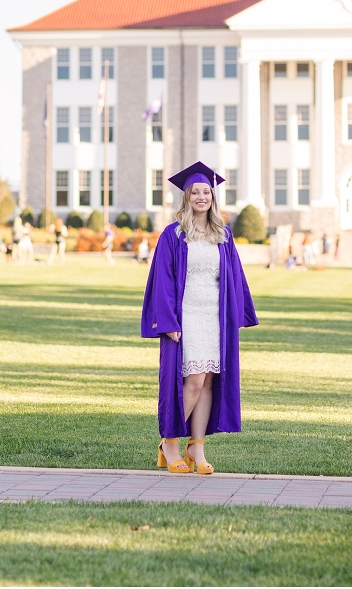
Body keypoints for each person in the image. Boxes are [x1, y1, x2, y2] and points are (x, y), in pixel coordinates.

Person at [141, 161, 258, 476]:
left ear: (213, 197)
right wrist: (168, 321)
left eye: (207, 191)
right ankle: (169, 443)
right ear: (187, 197)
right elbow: (162, 280)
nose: (202, 197)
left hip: (214, 316)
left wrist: (237, 314)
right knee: (191, 381)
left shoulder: (223, 234)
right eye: (196, 192)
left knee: (208, 380)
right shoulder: (174, 235)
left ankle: (197, 446)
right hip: (187, 314)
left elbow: (234, 277)